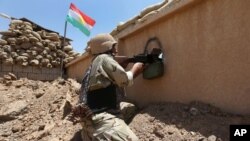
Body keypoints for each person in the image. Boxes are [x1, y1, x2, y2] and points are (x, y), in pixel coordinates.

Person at [70, 33, 144, 141]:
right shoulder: (104, 58)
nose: (116, 51)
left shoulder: (90, 68)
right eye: (114, 46)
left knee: (129, 108)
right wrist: (136, 68)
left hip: (88, 125)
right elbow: (125, 80)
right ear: (106, 47)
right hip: (102, 123)